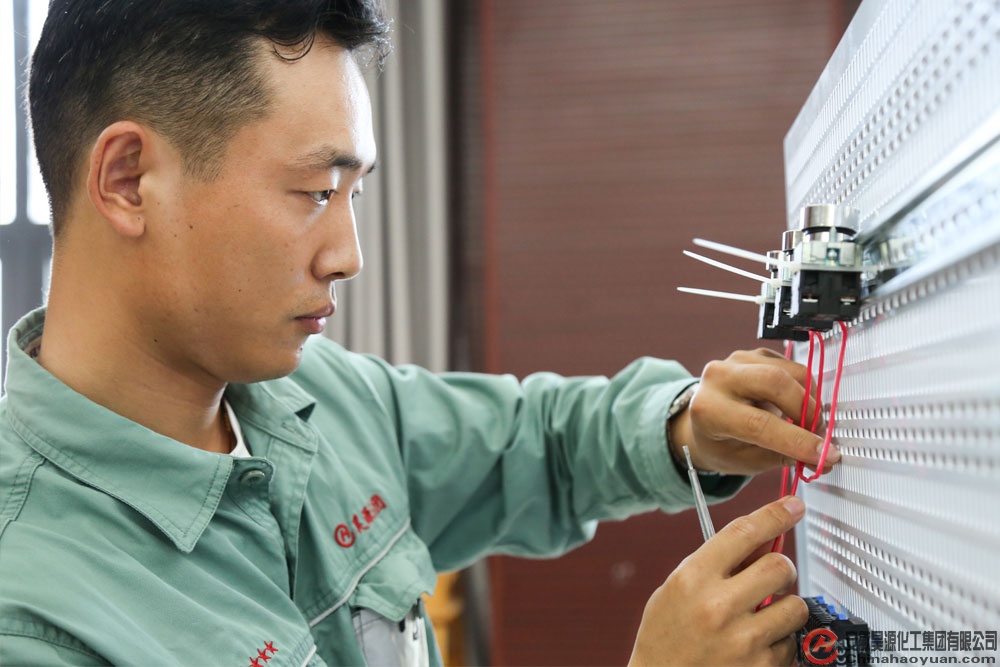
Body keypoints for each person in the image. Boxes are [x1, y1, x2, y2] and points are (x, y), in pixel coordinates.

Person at [0, 1, 836, 665]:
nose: (348, 256)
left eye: (354, 194)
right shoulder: (33, 614)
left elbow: (535, 443)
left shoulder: (318, 399)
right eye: (314, 192)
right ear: (129, 179)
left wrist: (686, 426)